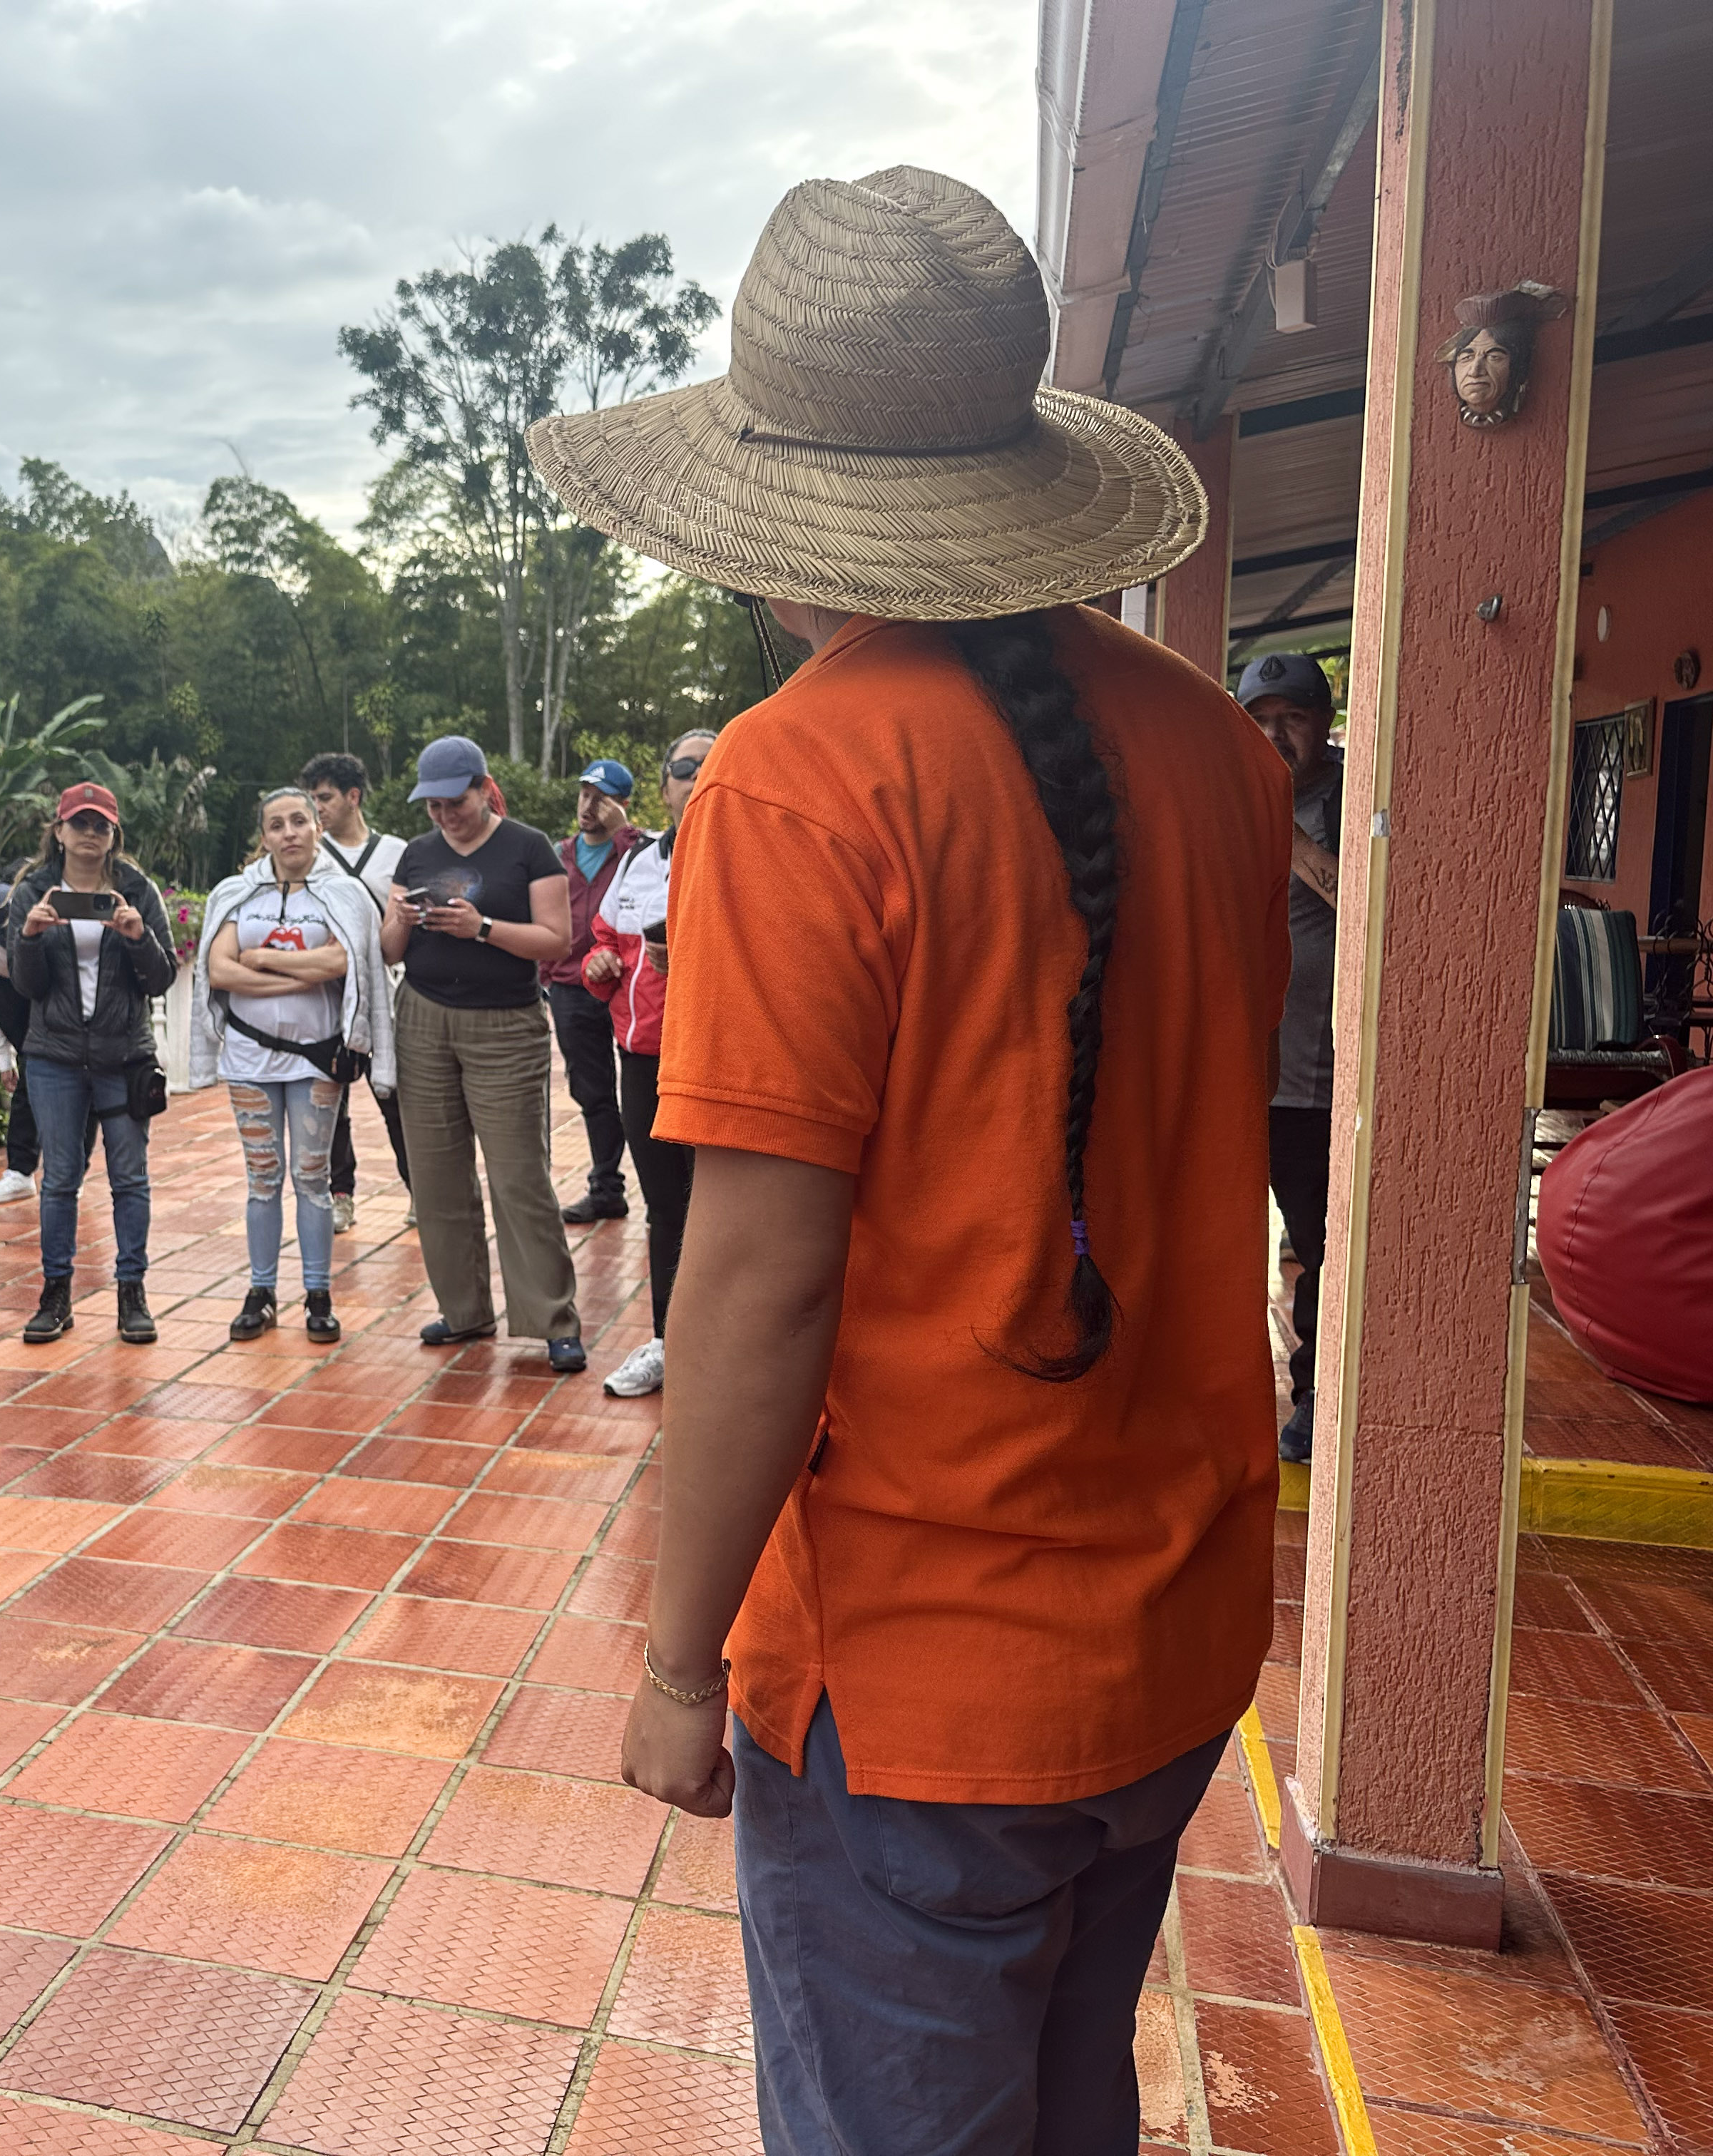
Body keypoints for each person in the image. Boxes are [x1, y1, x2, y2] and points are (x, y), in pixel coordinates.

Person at [529, 165, 1292, 2153]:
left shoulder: (802, 769)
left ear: (781, 502)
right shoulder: (1218, 746)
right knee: (1067, 2109)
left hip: (922, 1668)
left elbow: (759, 1278)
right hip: (1172, 1627)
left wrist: (681, 1663)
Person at [379, 736, 585, 1373]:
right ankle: (464, 1309)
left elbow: (556, 941)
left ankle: (552, 1318)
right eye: (433, 806)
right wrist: (405, 920)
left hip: (504, 1025)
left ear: (482, 787)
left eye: (455, 802)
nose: (445, 816)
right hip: (424, 1020)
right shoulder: (416, 855)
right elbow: (388, 951)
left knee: (519, 1175)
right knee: (437, 1176)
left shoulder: (527, 847)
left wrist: (483, 928)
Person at [194, 786, 398, 1343]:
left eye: (299, 822)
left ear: (317, 828)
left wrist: (258, 958)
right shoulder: (237, 894)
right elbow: (220, 970)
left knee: (313, 1179)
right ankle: (261, 1291)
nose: (289, 833)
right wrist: (287, 969)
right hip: (248, 1059)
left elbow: (345, 959)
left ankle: (317, 1293)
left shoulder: (344, 894)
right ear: (263, 836)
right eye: (277, 825)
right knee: (263, 1179)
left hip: (316, 1059)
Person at [9, 784, 177, 1347]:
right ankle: (56, 1292)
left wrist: (137, 937)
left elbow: (162, 978)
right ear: (58, 831)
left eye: (100, 826)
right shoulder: (33, 889)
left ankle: (133, 1290)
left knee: (130, 1178)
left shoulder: (135, 888)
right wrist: (30, 937)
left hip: (123, 1053)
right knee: (58, 1180)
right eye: (78, 824)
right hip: (54, 1056)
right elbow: (26, 987)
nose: (89, 834)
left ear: (113, 834)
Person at [584, 729, 719, 1397]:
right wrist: (598, 965)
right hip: (642, 1058)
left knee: (724, 1209)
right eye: (683, 769)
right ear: (663, 785)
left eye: (709, 766)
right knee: (665, 1206)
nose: (695, 779)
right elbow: (604, 941)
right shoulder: (638, 864)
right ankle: (670, 1342)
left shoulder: (745, 852)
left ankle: (723, 1348)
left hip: (718, 1060)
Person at [1237, 650, 1342, 1465]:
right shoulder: (1220, 803)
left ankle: (1314, 1398)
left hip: (1314, 1075)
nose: (1275, 735)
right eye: (1260, 719)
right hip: (1233, 1066)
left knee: (1319, 1242)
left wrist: (1286, 832)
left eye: (1293, 718)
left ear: (1324, 725)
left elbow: (1356, 889)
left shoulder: (1353, 800)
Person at [302, 751, 410, 1228]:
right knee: (330, 1103)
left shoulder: (397, 854)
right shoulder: (307, 855)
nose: (317, 808)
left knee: (397, 1101)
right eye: (312, 799)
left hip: (382, 995)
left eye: (324, 797)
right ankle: (339, 1193)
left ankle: (419, 1192)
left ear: (353, 796)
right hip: (326, 996)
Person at [548, 758, 649, 1223]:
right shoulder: (558, 854)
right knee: (593, 1092)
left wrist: (625, 833)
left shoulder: (639, 852)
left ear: (621, 806)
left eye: (601, 798)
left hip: (627, 988)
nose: (589, 806)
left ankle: (662, 1188)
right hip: (571, 987)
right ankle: (606, 1188)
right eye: (585, 794)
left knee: (642, 1091)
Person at [0, 853, 44, 1208]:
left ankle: (67, 1172)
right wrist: (4, 1060)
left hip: (52, 1020)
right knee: (28, 1090)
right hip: (21, 1030)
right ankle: (20, 1172)